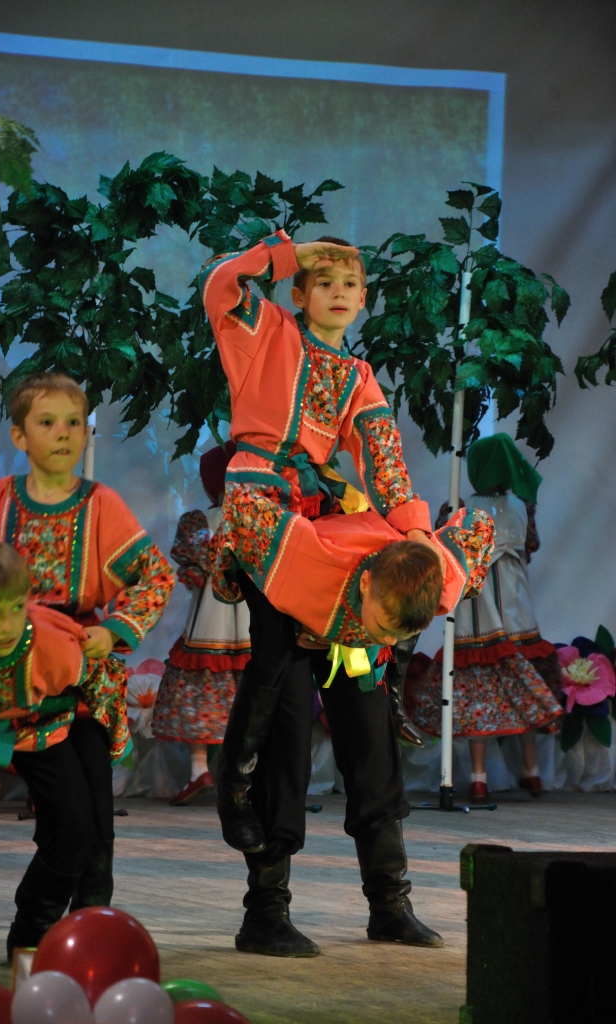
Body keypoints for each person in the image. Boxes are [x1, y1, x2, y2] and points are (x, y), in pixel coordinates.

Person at [202, 230, 493, 954]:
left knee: (366, 718)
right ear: (300, 292)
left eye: (351, 284)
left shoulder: (360, 375)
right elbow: (222, 288)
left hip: (332, 533)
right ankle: (265, 910)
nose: (338, 291)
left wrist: (418, 538)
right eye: (323, 280)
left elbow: (387, 467)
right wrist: (289, 253)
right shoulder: (264, 333)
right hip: (274, 530)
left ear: (363, 301)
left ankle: (389, 902)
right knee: (286, 720)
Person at [0, 372, 175, 923]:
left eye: (74, 423)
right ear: (20, 436)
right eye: (47, 422)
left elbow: (155, 576)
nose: (64, 433)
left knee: (86, 819)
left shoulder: (101, 504)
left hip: (71, 679)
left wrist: (114, 631)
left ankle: (61, 928)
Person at [0, 542, 125, 957]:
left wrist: (107, 745)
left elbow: (101, 685)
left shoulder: (55, 643)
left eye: (16, 608)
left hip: (41, 730)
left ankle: (31, 933)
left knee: (75, 829)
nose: (8, 624)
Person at [408, 433, 561, 804]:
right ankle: (531, 770)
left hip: (476, 614)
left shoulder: (459, 509)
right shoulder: (522, 506)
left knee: (476, 690)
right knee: (522, 687)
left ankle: (478, 777)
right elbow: (531, 546)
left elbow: (442, 548)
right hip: (515, 608)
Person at [152, 443, 251, 804]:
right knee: (251, 697)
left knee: (198, 691)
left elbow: (191, 570)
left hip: (207, 626)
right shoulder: (260, 522)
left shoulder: (198, 525)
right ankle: (244, 776)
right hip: (250, 627)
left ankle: (199, 770)